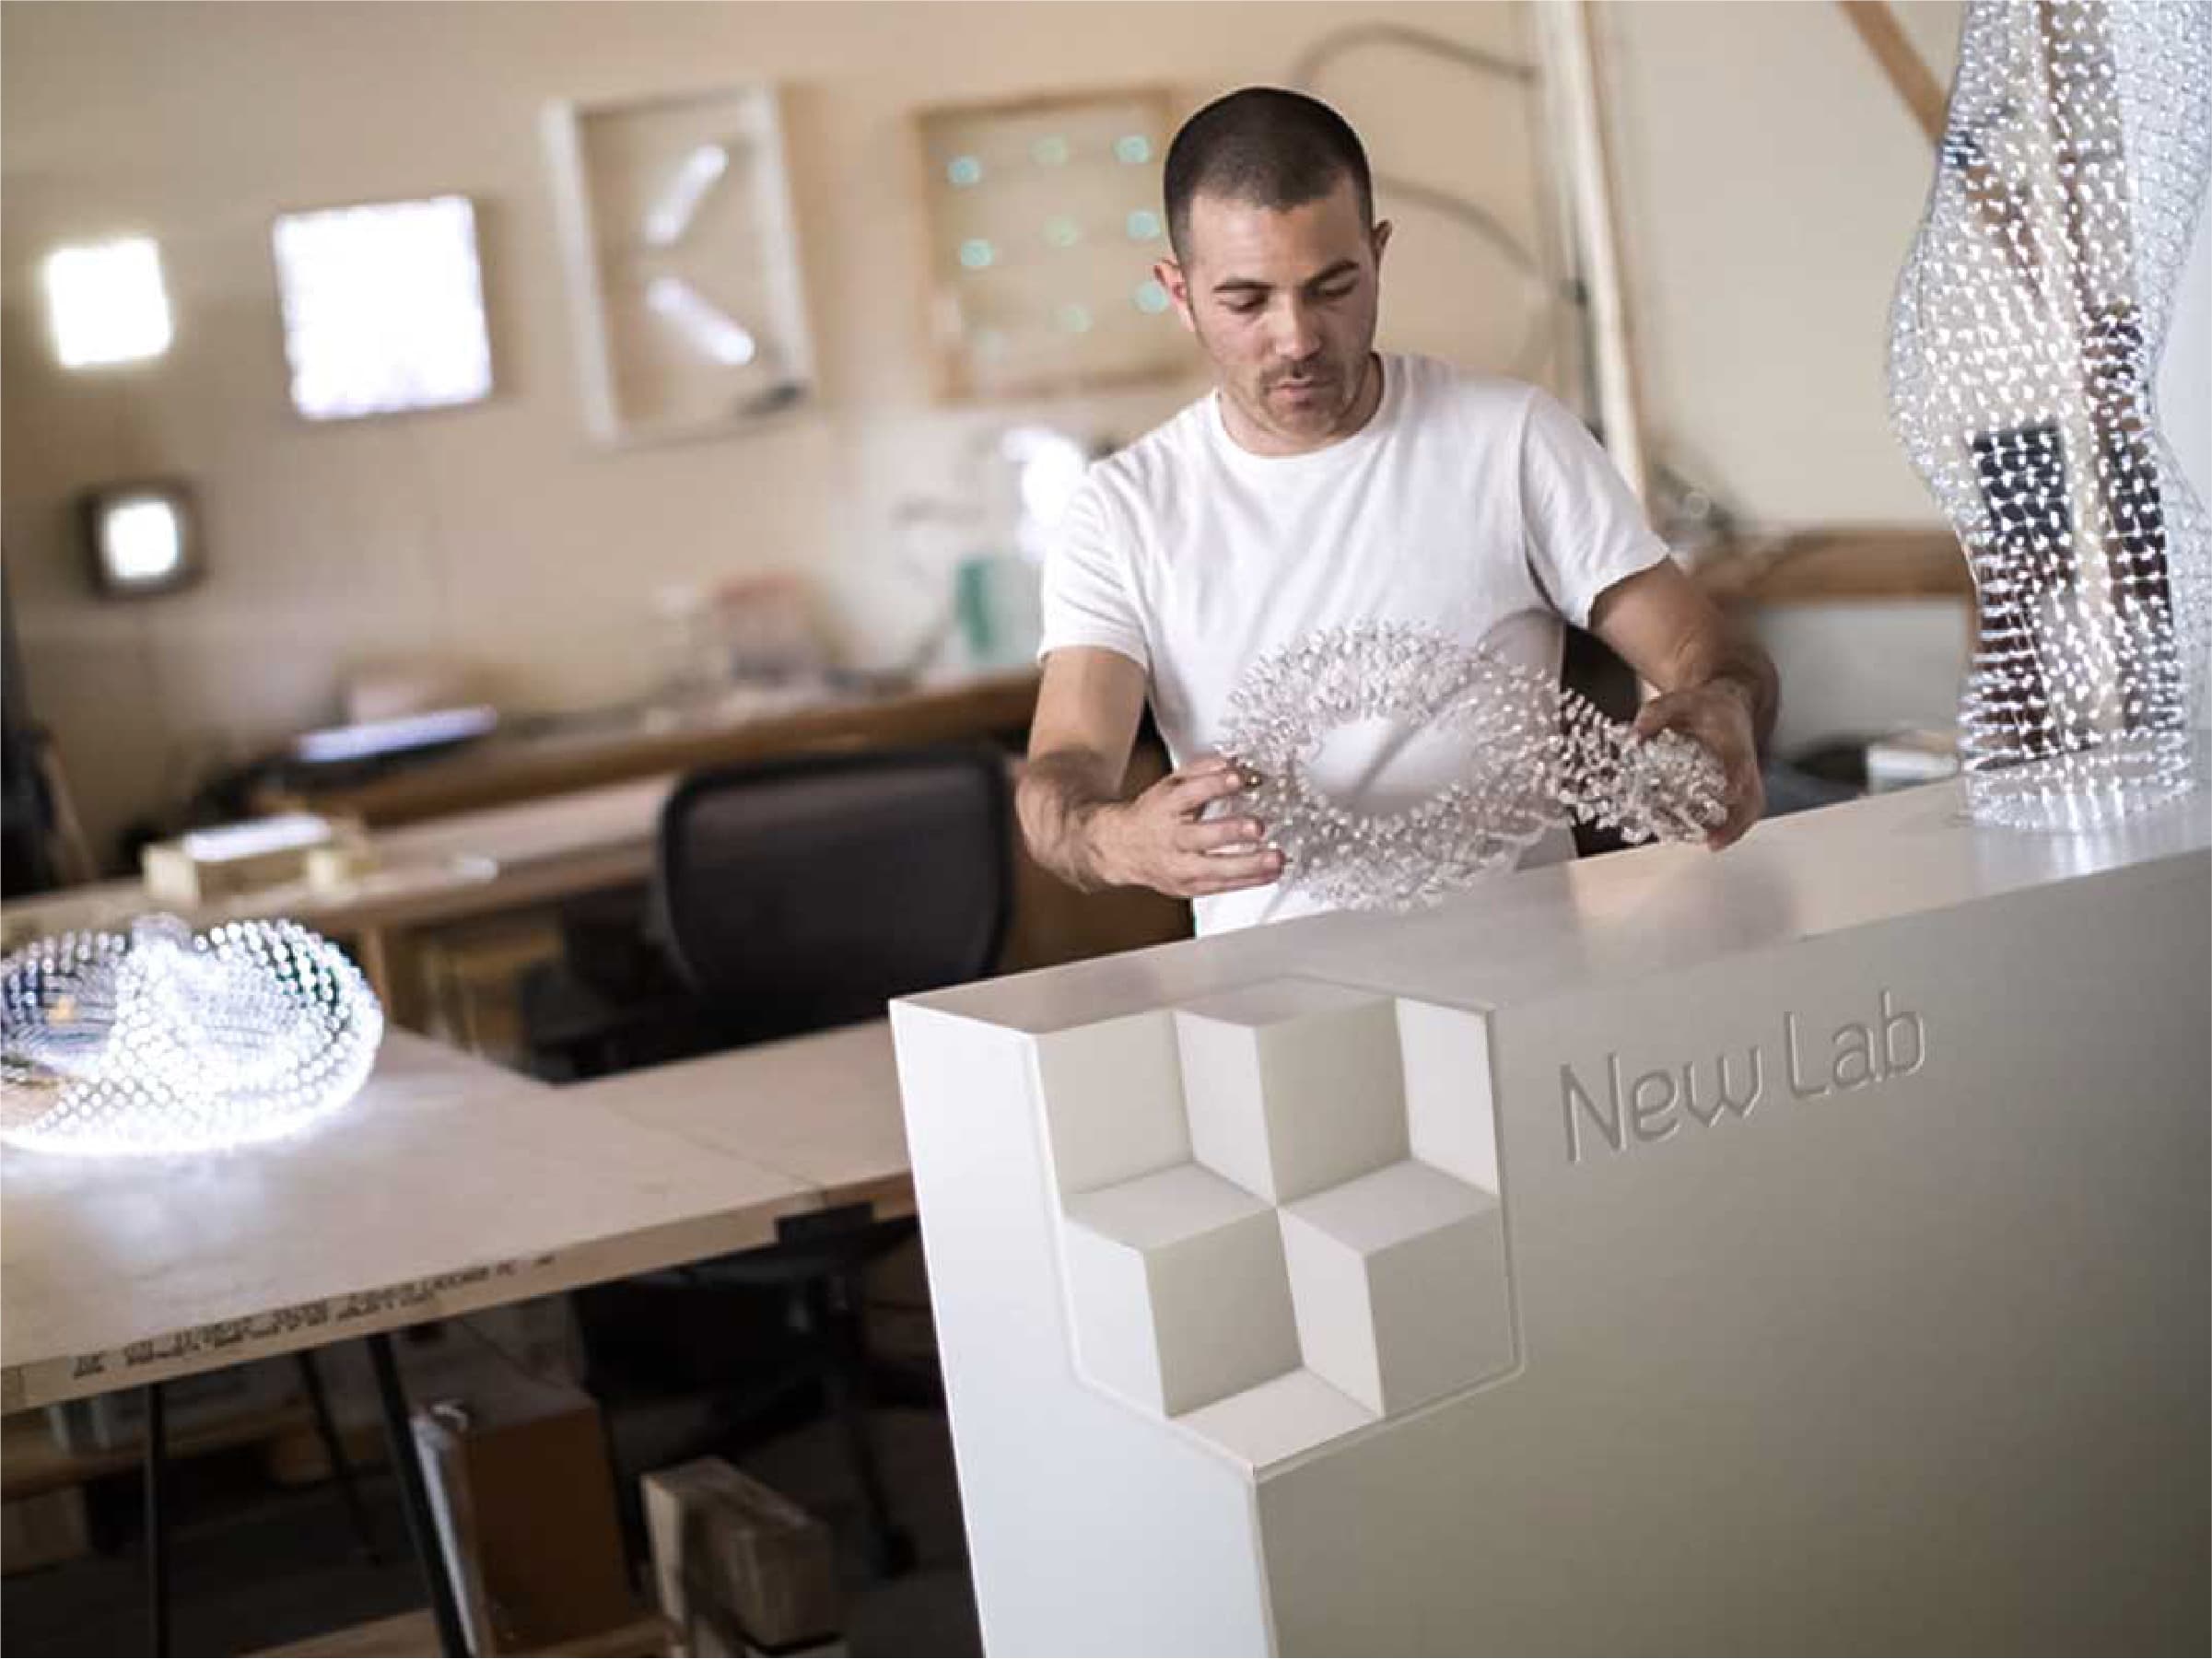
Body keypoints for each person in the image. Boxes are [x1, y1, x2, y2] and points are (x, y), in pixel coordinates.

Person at [1017, 86, 1777, 935]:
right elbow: (1065, 770)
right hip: (1273, 1006)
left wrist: (1725, 706)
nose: (1297, 337)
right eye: (1246, 302)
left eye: (1332, 287)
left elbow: (1702, 651)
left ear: (1378, 254)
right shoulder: (1121, 513)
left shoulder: (1510, 439)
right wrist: (1114, 837)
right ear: (1178, 291)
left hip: (1525, 979)